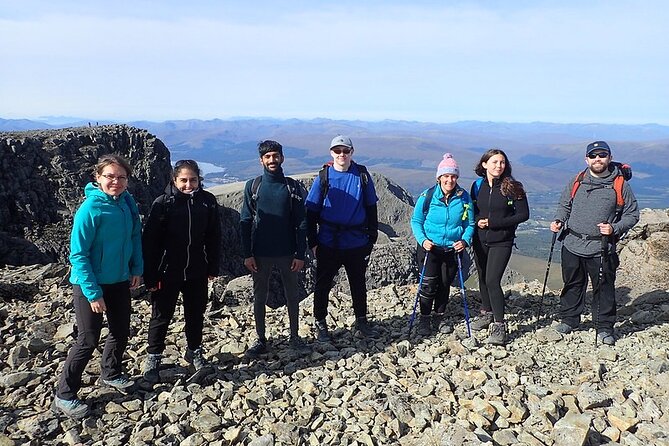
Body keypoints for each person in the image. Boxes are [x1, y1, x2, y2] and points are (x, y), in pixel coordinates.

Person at [53, 154, 143, 419]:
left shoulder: (127, 202)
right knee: (88, 339)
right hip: (89, 284)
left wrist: (136, 268)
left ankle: (111, 373)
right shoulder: (90, 209)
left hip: (118, 280)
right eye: (110, 176)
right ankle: (64, 394)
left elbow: (135, 236)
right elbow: (78, 255)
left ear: (127, 180)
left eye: (121, 177)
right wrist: (93, 293)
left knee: (120, 330)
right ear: (98, 178)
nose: (115, 181)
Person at [550, 141, 639, 345]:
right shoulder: (577, 181)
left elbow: (632, 214)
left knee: (603, 287)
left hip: (601, 247)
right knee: (572, 284)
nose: (597, 159)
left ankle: (604, 327)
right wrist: (558, 220)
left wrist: (614, 229)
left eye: (602, 155)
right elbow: (565, 205)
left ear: (609, 157)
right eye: (593, 155)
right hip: (572, 242)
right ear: (586, 159)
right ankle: (570, 320)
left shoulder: (620, 184)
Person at [142, 160, 221, 383]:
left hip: (197, 269)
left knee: (195, 314)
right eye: (183, 180)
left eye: (193, 180)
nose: (188, 184)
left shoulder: (207, 202)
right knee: (161, 315)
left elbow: (214, 237)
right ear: (174, 180)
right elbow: (150, 242)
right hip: (167, 271)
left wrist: (213, 266)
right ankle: (154, 357)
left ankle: (194, 351)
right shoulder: (163, 203)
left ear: (199, 179)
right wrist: (151, 275)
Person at [306, 135, 379, 341]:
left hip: (356, 241)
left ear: (351, 152)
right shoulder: (324, 177)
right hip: (329, 241)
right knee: (323, 284)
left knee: (358, 283)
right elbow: (311, 212)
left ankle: (361, 321)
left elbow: (371, 207)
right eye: (337, 151)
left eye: (345, 151)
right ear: (331, 153)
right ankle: (320, 322)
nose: (341, 155)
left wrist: (371, 238)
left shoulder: (362, 176)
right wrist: (312, 242)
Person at [239, 140, 309, 357]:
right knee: (260, 297)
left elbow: (301, 222)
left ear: (282, 158)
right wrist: (247, 254)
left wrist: (300, 253)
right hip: (261, 253)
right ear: (261, 160)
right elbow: (245, 221)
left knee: (292, 295)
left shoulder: (292, 186)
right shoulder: (253, 186)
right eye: (267, 157)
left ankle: (295, 336)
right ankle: (260, 339)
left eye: (275, 156)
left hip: (288, 253)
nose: (272, 160)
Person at [469, 148, 529, 345]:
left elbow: (523, 215)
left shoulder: (513, 187)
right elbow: (473, 210)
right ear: (484, 164)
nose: (498, 166)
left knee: (493, 280)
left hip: (502, 240)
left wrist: (494, 223)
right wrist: (478, 220)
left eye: (502, 162)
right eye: (494, 162)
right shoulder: (477, 186)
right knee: (483, 279)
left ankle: (499, 325)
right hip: (480, 239)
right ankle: (486, 313)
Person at [411, 153, 475, 335]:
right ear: (439, 177)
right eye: (446, 176)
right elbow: (416, 221)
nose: (450, 180)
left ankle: (439, 317)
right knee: (428, 284)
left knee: (445, 283)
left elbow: (469, 224)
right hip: (430, 248)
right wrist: (423, 240)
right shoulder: (428, 196)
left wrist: (464, 240)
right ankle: (424, 319)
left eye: (453, 176)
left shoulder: (464, 198)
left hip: (451, 250)